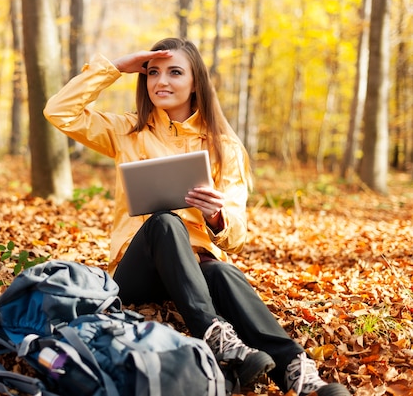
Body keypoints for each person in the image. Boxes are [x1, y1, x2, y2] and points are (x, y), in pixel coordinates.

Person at [44, 37, 350, 396]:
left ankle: (298, 372)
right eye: (153, 73)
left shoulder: (224, 146)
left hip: (197, 268)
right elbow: (59, 111)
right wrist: (116, 67)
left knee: (222, 270)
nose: (162, 82)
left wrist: (217, 217)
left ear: (195, 82)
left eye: (175, 72)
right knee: (164, 220)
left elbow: (236, 236)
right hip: (136, 269)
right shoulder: (127, 131)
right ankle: (215, 334)